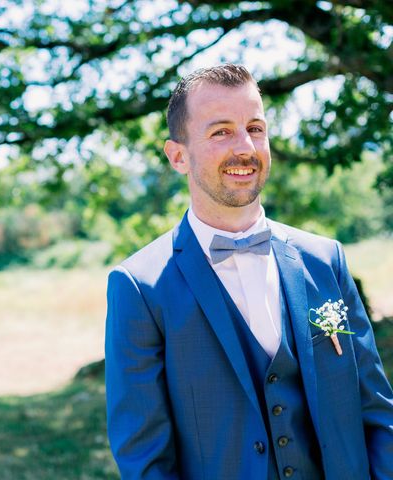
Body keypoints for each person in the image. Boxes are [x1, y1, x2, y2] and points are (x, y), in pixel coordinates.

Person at [105, 64, 393, 479]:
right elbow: (145, 460)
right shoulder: (139, 287)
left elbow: (378, 416)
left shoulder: (325, 260)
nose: (245, 147)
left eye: (255, 128)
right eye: (221, 131)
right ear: (177, 156)